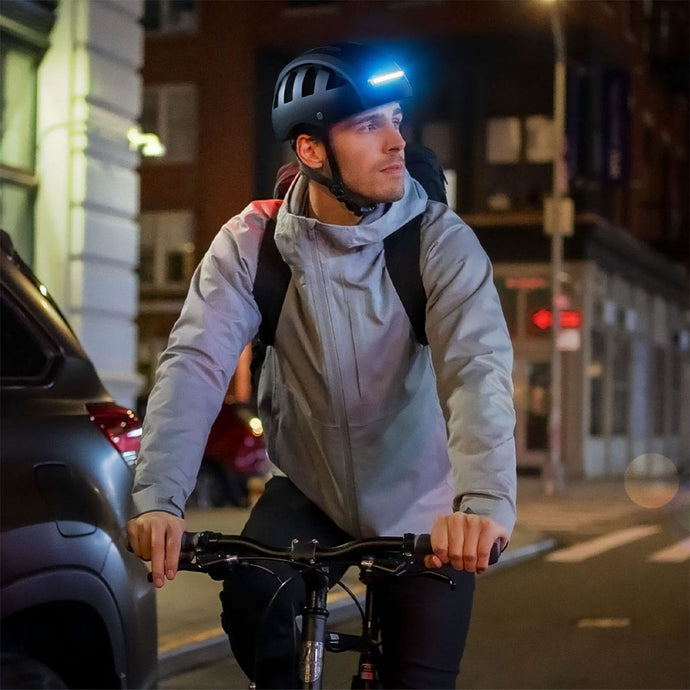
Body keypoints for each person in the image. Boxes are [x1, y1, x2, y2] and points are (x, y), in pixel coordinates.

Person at [127, 42, 517, 689]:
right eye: (369, 126)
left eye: (395, 118)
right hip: (311, 489)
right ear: (310, 151)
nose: (396, 140)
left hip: (427, 504)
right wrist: (159, 499)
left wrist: (481, 505)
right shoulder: (253, 243)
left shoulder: (440, 244)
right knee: (254, 600)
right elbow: (194, 364)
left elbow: (477, 372)